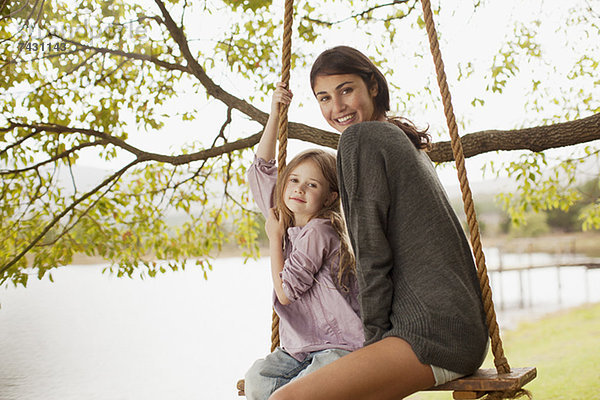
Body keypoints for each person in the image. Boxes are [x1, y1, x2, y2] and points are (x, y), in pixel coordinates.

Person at [268, 46, 489, 400]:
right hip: (457, 329)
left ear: (372, 86)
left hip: (430, 335)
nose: (336, 108)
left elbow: (372, 256)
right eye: (324, 98)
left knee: (285, 398)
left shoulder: (360, 140)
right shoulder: (399, 138)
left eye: (346, 90)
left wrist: (370, 344)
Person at [243, 82, 365, 400]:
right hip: (300, 348)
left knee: (303, 391)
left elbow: (285, 293)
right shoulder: (284, 213)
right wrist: (275, 114)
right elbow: (261, 167)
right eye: (294, 181)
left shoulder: (320, 230)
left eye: (312, 185)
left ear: (329, 197)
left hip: (340, 345)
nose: (299, 189)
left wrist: (274, 238)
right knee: (258, 380)